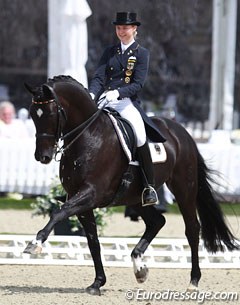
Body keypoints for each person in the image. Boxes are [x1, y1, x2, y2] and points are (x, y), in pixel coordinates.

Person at [89, 12, 166, 206]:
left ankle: (149, 186)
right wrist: (91, 94)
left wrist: (119, 93)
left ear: (134, 29)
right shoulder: (109, 51)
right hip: (105, 99)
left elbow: (138, 83)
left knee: (140, 135)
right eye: (118, 28)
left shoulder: (142, 53)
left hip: (126, 102)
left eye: (125, 28)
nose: (121, 31)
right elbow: (99, 76)